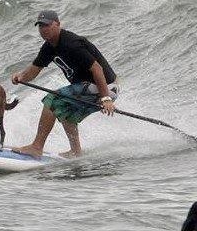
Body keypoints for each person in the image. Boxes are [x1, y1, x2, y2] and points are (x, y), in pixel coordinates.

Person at [11, 10, 118, 158]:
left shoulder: (71, 43)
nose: (43, 29)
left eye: (47, 25)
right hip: (92, 87)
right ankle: (75, 152)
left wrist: (105, 98)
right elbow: (34, 71)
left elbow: (97, 69)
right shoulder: (49, 47)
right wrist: (21, 76)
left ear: (58, 24)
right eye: (40, 26)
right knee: (65, 111)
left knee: (52, 99)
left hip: (105, 86)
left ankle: (36, 147)